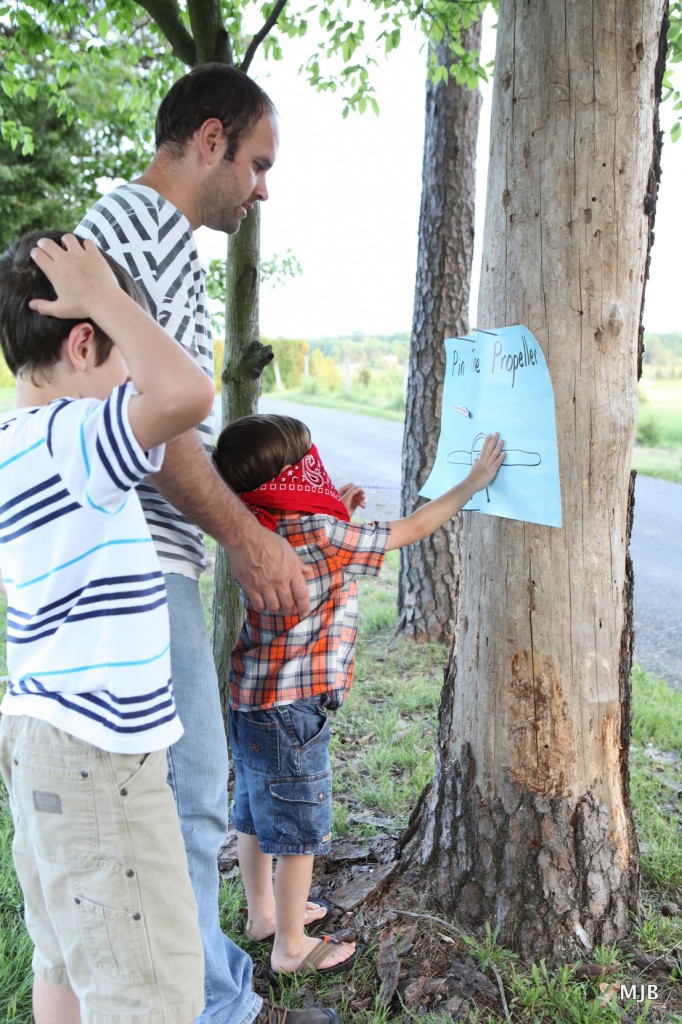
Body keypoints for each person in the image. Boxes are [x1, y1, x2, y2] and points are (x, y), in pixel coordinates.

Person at [77, 64, 338, 1024]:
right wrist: (250, 544)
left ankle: (218, 984)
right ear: (213, 138)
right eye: (260, 165)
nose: (263, 189)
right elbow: (150, 425)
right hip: (138, 563)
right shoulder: (144, 232)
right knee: (187, 803)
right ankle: (213, 1011)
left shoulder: (137, 233)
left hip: (140, 558)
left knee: (176, 800)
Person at [0, 230, 216, 1023]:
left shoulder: (11, 445)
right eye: (120, 345)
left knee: (65, 959)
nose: (131, 371)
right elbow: (188, 393)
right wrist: (112, 298)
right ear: (85, 340)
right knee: (147, 992)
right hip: (100, 757)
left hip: (37, 741)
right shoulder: (73, 438)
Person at [212, 413, 506, 979]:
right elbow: (411, 529)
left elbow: (318, 550)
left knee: (251, 815)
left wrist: (337, 511)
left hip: (251, 698)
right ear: (294, 475)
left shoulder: (255, 522)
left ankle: (263, 915)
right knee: (297, 833)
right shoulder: (324, 533)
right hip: (297, 708)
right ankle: (292, 946)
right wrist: (471, 483)